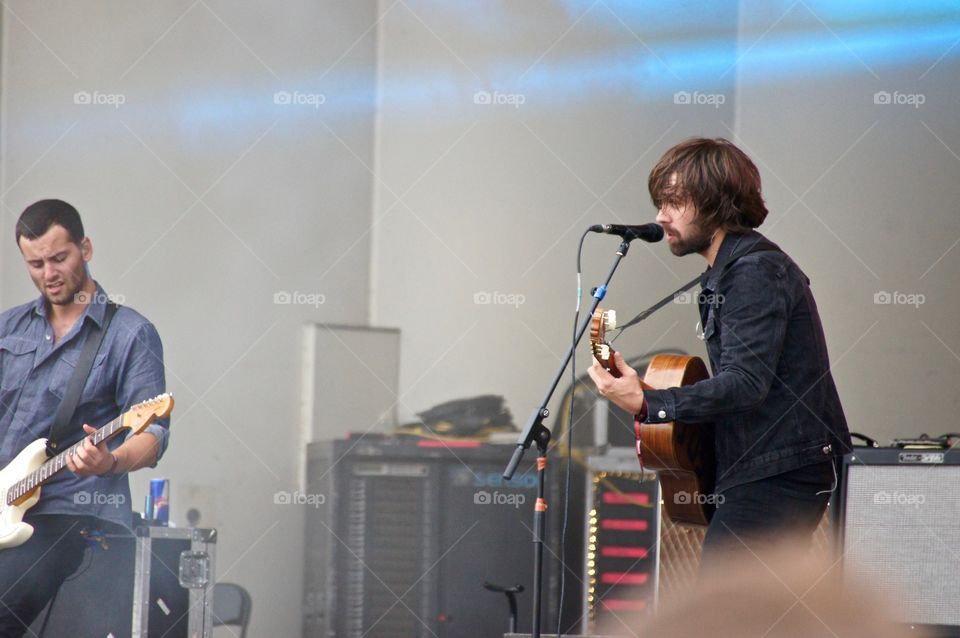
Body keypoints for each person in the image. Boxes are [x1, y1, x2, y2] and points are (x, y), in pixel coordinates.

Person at [588, 138, 851, 571]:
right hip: (761, 468)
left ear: (714, 203)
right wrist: (645, 392)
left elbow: (746, 384)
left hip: (779, 472)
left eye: (673, 202)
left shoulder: (753, 273)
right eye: (660, 202)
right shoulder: (728, 272)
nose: (660, 216)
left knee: (728, 614)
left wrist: (650, 403)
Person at [0, 199, 170, 635]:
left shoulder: (130, 333)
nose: (48, 274)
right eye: (35, 263)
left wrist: (110, 461)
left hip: (71, 513)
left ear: (86, 248)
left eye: (59, 258)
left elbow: (153, 436)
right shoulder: (8, 329)